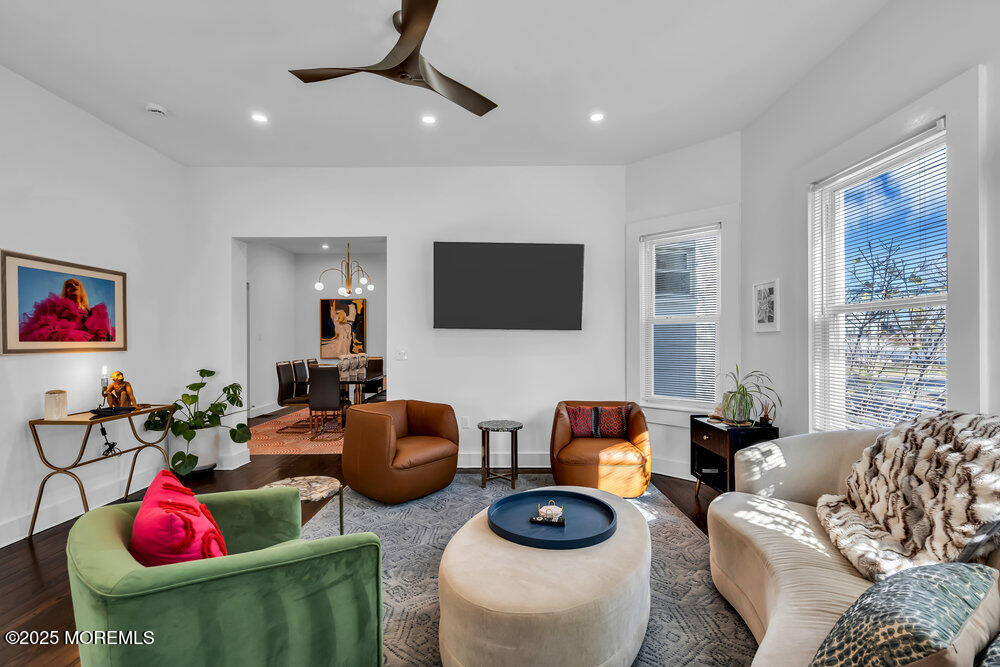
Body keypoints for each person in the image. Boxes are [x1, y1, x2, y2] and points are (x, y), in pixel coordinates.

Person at [18, 278, 115, 342]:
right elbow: (45, 330)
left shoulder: (95, 312)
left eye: (76, 284)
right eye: (68, 285)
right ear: (66, 292)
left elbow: (105, 334)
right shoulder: (57, 307)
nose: (73, 285)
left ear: (81, 289)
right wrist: (73, 334)